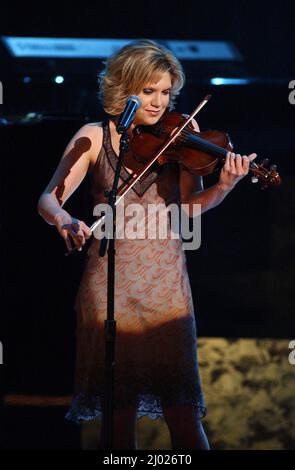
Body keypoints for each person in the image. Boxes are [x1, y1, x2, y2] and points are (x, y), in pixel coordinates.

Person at [37, 39, 257, 450]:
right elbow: (49, 198)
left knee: (184, 413)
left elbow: (189, 210)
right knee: (117, 418)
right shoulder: (94, 136)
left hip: (167, 290)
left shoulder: (185, 132)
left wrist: (225, 186)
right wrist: (64, 220)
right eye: (148, 91)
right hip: (110, 287)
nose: (158, 103)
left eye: (166, 92)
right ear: (125, 89)